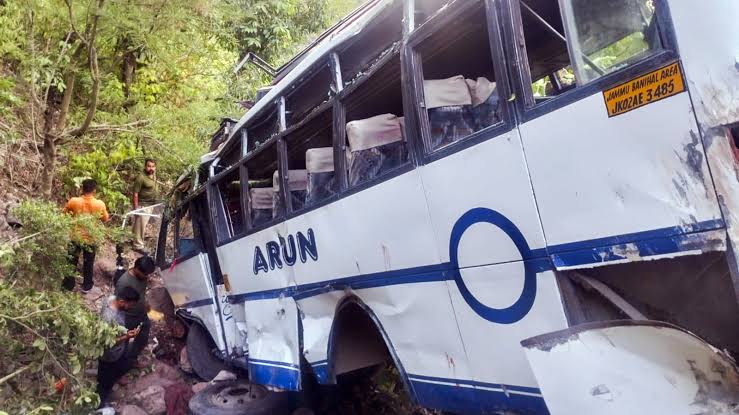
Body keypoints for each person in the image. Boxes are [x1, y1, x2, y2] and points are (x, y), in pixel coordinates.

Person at [97, 287, 142, 406]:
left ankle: (112, 381)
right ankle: (100, 403)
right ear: (122, 302)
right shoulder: (110, 318)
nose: (131, 307)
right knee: (104, 381)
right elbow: (107, 342)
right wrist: (126, 337)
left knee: (120, 366)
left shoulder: (111, 299)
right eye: (130, 305)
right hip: (109, 355)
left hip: (118, 347)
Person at [63, 179, 110, 291]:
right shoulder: (99, 204)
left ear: (82, 189)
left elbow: (64, 214)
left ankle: (68, 286)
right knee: (88, 263)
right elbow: (105, 218)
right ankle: (87, 286)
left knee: (71, 262)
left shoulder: (74, 201)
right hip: (91, 238)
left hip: (75, 237)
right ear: (94, 190)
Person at [114, 255, 157, 362]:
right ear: (137, 268)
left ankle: (134, 356)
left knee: (143, 336)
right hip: (129, 317)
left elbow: (141, 292)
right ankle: (122, 361)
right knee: (122, 340)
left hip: (141, 313)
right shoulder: (124, 283)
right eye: (145, 274)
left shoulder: (142, 277)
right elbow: (119, 304)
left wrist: (144, 304)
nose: (147, 277)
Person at [131, 158, 159, 254]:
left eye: (152, 166)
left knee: (140, 225)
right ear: (145, 166)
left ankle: (134, 239)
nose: (151, 168)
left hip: (151, 204)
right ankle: (138, 246)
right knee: (140, 225)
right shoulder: (141, 178)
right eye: (149, 166)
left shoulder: (153, 175)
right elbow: (135, 193)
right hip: (143, 205)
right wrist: (136, 208)